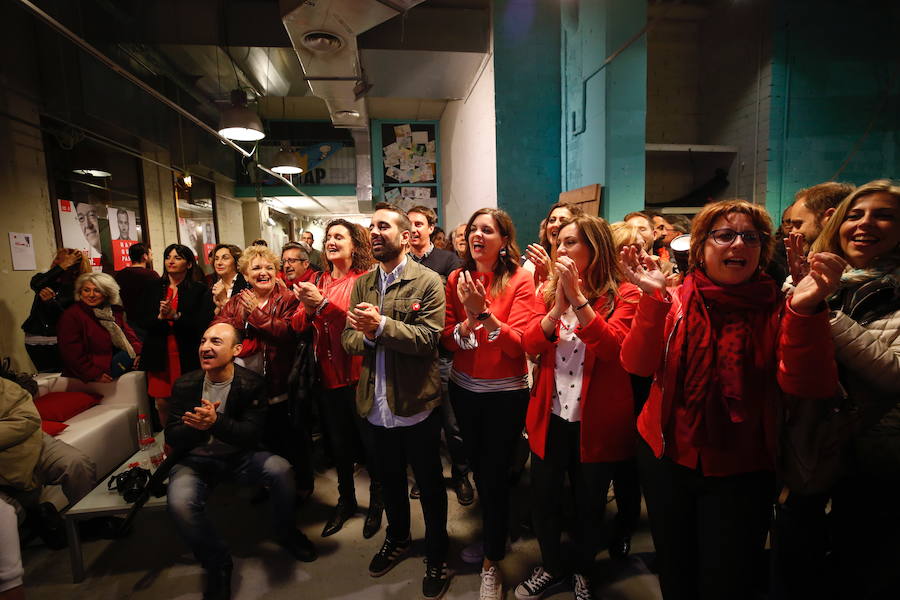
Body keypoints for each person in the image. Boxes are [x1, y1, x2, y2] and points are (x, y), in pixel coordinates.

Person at [618, 199, 845, 600]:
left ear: (762, 250)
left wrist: (808, 309)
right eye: (724, 235)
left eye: (750, 237)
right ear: (702, 247)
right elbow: (637, 364)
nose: (737, 244)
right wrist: (652, 302)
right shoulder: (672, 299)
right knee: (675, 566)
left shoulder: (779, 306)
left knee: (729, 577)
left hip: (744, 467)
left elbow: (807, 384)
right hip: (668, 458)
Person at [515, 215, 639, 600]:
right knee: (545, 501)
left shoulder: (625, 294)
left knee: (589, 504)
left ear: (595, 248)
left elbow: (615, 348)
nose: (561, 250)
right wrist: (559, 305)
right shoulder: (549, 291)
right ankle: (551, 565)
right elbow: (530, 344)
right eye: (559, 243)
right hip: (551, 416)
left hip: (595, 422)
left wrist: (580, 302)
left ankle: (584, 569)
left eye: (571, 243)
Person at [341, 203, 451, 600]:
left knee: (430, 486)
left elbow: (428, 341)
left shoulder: (428, 282)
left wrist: (383, 325)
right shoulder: (363, 284)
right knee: (389, 482)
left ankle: (438, 553)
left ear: (405, 236)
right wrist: (369, 334)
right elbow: (348, 339)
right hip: (376, 404)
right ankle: (399, 538)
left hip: (416, 406)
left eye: (383, 226)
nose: (373, 232)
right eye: (371, 226)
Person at [166, 322, 316, 600]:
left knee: (281, 470)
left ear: (236, 350)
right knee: (179, 502)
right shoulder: (186, 385)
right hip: (196, 461)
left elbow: (250, 435)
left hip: (239, 457)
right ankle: (217, 562)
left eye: (216, 342)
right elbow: (173, 435)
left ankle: (286, 532)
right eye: (203, 341)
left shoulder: (250, 383)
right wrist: (197, 427)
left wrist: (215, 422)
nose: (206, 347)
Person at [801, 180, 900, 598]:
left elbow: (893, 373)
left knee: (865, 560)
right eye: (855, 214)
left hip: (878, 451)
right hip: (812, 439)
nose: (864, 224)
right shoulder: (821, 275)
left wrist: (822, 313)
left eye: (883, 215)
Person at [443, 208, 535, 599]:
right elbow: (447, 340)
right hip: (464, 390)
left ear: (503, 240)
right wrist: (466, 323)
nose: (477, 235)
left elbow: (522, 346)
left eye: (487, 230)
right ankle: (495, 534)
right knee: (480, 470)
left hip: (505, 395)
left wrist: (482, 314)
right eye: (473, 230)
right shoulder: (456, 278)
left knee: (495, 474)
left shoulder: (520, 279)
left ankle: (492, 562)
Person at [292, 219, 383, 538]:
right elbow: (296, 324)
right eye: (329, 237)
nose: (331, 241)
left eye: (339, 237)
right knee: (339, 446)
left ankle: (377, 502)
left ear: (355, 246)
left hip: (359, 374)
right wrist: (308, 306)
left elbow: (357, 322)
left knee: (371, 446)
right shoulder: (317, 279)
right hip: (327, 375)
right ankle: (346, 501)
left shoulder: (366, 279)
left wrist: (324, 306)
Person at [213, 245, 306, 497]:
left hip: (281, 384)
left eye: (269, 267)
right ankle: (267, 484)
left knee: (289, 440)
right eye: (256, 268)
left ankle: (300, 486)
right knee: (258, 440)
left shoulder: (289, 299)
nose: (263, 272)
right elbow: (219, 327)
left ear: (277, 272)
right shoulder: (236, 301)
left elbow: (288, 333)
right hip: (247, 388)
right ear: (245, 272)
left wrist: (256, 314)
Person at [0, 372, 97, 599]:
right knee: (9, 510)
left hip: (32, 442)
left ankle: (87, 524)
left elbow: (27, 419)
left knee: (77, 464)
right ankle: (41, 519)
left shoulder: (4, 387)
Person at [407, 205, 473, 505]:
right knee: (421, 426)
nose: (414, 230)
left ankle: (461, 476)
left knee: (453, 425)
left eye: (419, 224)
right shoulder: (401, 263)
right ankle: (426, 477)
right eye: (409, 225)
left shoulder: (449, 260)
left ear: (431, 227)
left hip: (443, 355)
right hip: (413, 358)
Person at [140, 244, 214, 429]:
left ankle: (190, 441)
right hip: (159, 350)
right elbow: (142, 321)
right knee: (162, 402)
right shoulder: (153, 287)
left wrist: (175, 316)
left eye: (177, 257)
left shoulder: (199, 289)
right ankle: (169, 441)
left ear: (189, 264)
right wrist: (159, 317)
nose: (171, 261)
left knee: (190, 401)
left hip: (186, 350)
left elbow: (201, 326)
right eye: (168, 257)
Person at [57, 273, 142, 383]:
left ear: (107, 293)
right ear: (80, 293)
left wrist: (138, 353)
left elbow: (128, 334)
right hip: (93, 372)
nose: (91, 295)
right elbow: (71, 353)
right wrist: (93, 374)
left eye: (97, 290)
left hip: (114, 362)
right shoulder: (72, 316)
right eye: (86, 290)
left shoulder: (113, 312)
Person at [22, 248, 91, 372]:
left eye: (61, 259)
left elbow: (70, 319)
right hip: (34, 339)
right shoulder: (43, 280)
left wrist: (51, 303)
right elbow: (36, 284)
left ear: (73, 265)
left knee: (64, 376)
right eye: (56, 258)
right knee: (45, 376)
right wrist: (62, 266)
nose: (56, 262)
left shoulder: (79, 288)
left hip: (61, 340)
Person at [524, 202, 583, 287]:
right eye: (552, 220)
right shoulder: (532, 264)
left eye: (563, 221)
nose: (556, 224)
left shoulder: (578, 267)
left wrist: (548, 276)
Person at [113, 243, 160, 339]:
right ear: (145, 256)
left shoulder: (120, 275)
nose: (152, 257)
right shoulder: (151, 275)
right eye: (151, 254)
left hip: (127, 321)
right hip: (147, 322)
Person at [210, 244, 250, 315]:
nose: (219, 263)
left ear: (236, 261)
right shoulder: (212, 287)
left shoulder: (247, 283)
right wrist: (218, 308)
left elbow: (246, 317)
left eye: (225, 258)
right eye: (216, 259)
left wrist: (224, 300)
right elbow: (205, 322)